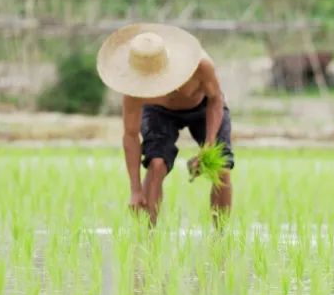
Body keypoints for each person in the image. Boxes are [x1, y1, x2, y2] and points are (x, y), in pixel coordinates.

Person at [96, 23, 234, 226]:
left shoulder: (201, 65)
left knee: (220, 166)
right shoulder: (133, 89)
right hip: (159, 113)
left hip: (203, 107)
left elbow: (215, 99)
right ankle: (147, 238)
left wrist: (209, 146)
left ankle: (221, 238)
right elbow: (130, 135)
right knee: (156, 164)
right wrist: (135, 190)